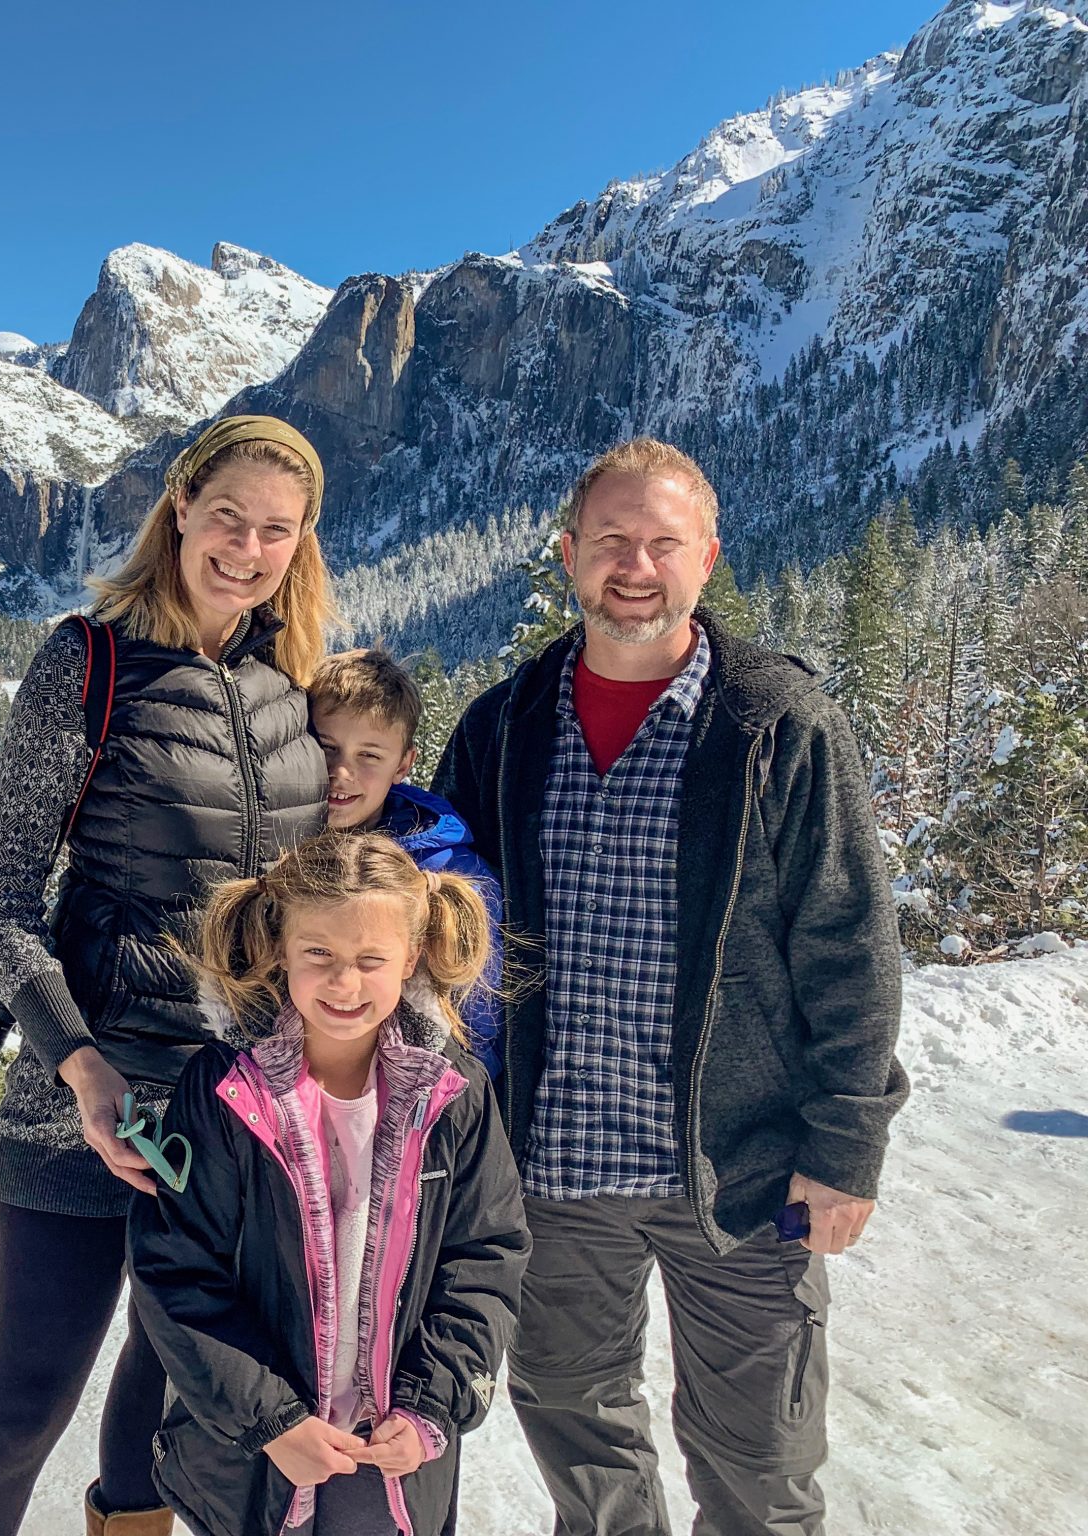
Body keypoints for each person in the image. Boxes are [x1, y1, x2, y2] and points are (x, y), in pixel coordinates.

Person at [432, 437, 909, 1536]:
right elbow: (444, 931)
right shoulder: (503, 725)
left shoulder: (775, 724)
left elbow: (847, 942)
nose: (634, 566)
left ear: (707, 558)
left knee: (761, 1470)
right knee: (579, 1437)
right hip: (550, 1169)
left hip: (739, 1175)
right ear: (568, 556)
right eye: (610, 540)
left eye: (662, 542)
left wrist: (846, 1146)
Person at [0, 415, 336, 1536]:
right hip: (83, 1107)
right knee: (21, 1412)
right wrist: (81, 1067)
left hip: (230, 1116)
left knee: (163, 1408)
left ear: (301, 543)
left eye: (277, 531)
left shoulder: (293, 687)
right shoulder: (88, 663)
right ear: (181, 508)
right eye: (228, 517)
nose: (247, 549)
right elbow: (5, 897)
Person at [127, 830, 529, 1536]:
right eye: (320, 956)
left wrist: (430, 1407)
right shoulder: (225, 1091)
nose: (345, 984)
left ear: (411, 957)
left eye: (371, 961)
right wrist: (271, 1420)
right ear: (282, 949)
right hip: (261, 1451)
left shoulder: (453, 1095)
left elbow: (484, 1261)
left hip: (390, 1452)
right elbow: (177, 1266)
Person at [308, 646, 507, 1076]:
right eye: (327, 747)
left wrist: (459, 1098)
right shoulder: (278, 847)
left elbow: (477, 1019)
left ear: (403, 764)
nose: (341, 772)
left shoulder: (449, 872)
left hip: (413, 1093)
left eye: (369, 756)